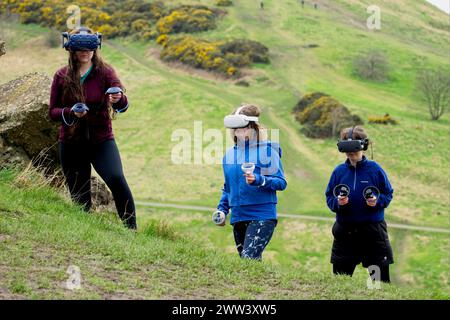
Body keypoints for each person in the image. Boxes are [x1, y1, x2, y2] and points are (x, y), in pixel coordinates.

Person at [49, 27, 137, 230]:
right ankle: (86, 233)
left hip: (101, 140)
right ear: (71, 49)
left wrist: (117, 98)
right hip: (71, 144)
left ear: (95, 48)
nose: (85, 52)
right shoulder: (61, 76)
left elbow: (122, 104)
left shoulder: (105, 72)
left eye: (89, 48)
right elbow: (52, 112)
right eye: (80, 47)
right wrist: (71, 112)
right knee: (80, 198)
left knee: (116, 178)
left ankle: (131, 228)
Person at [214, 104, 287, 260]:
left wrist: (259, 180)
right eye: (236, 129)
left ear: (254, 127)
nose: (239, 132)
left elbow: (281, 183)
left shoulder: (268, 151)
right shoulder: (228, 156)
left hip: (262, 215)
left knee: (249, 260)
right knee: (248, 263)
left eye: (243, 128)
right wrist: (222, 210)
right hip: (238, 217)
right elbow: (228, 188)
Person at [325, 126, 394, 282]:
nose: (351, 153)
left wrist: (377, 202)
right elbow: (329, 196)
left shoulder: (375, 170)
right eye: (347, 149)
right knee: (341, 281)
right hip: (345, 233)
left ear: (363, 146)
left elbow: (388, 194)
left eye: (354, 149)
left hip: (372, 233)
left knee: (377, 283)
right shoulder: (339, 171)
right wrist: (338, 203)